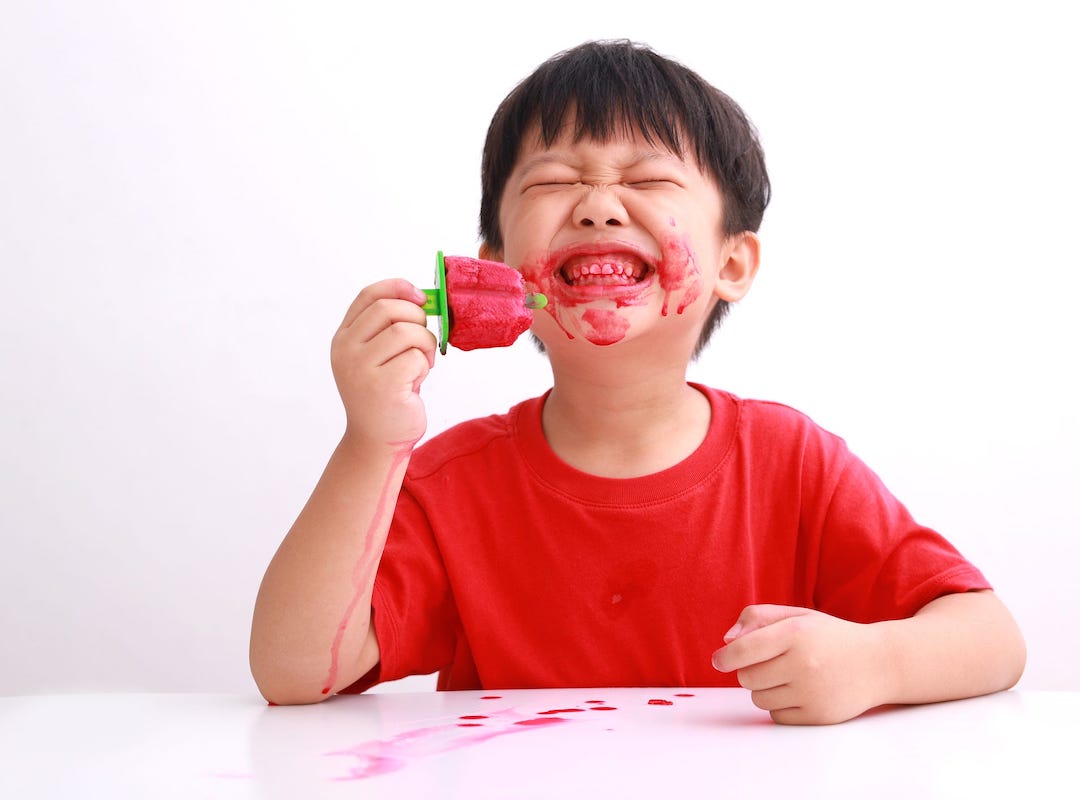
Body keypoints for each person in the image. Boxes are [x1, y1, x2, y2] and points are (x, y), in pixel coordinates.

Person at [249, 39, 1025, 725]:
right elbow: (292, 673)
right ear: (490, 266)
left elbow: (993, 639)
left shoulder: (792, 463)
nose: (595, 208)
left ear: (732, 263)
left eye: (646, 179)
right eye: (553, 182)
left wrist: (874, 663)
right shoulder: (451, 484)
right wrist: (370, 442)